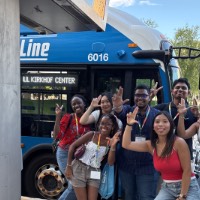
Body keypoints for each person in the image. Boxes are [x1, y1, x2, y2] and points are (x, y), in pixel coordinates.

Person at [122, 109, 200, 200]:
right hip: (168, 188)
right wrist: (129, 124)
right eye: (157, 122)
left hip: (188, 187)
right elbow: (126, 144)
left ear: (171, 125)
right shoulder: (150, 145)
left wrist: (182, 196)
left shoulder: (179, 142)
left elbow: (187, 170)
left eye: (165, 121)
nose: (160, 124)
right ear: (153, 127)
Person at [112, 84, 159, 200]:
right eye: (137, 95)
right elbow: (120, 112)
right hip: (127, 165)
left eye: (144, 95)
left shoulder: (156, 114)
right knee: (129, 196)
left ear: (150, 97)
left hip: (148, 166)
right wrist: (117, 107)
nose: (140, 98)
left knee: (146, 196)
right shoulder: (128, 110)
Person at [65, 114, 120, 200]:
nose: (104, 126)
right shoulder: (91, 134)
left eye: (108, 124)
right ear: (99, 125)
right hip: (79, 168)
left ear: (112, 127)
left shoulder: (111, 141)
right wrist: (68, 166)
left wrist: (113, 146)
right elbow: (72, 146)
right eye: (102, 123)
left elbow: (110, 162)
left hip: (95, 171)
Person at [53, 94, 91, 200]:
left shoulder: (90, 119)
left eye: (78, 102)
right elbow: (57, 135)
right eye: (73, 104)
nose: (76, 105)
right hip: (65, 154)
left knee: (79, 186)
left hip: (80, 157)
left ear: (84, 104)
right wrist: (58, 116)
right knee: (74, 185)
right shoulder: (68, 117)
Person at [154, 78, 198, 160]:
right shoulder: (162, 108)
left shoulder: (193, 111)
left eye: (184, 88)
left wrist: (198, 116)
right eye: (177, 87)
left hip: (185, 157)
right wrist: (149, 98)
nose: (180, 90)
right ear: (172, 91)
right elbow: (143, 113)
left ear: (188, 92)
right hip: (163, 155)